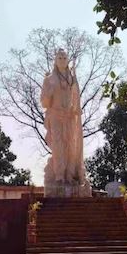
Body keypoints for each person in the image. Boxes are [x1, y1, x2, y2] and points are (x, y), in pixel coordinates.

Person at [41, 49, 91, 196]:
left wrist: (76, 109)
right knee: (58, 145)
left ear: (67, 60)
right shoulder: (49, 79)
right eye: (59, 57)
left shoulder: (72, 78)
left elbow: (76, 98)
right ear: (55, 60)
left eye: (64, 57)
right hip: (55, 115)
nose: (62, 60)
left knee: (71, 145)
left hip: (69, 116)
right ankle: (59, 175)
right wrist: (49, 93)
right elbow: (44, 103)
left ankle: (70, 174)